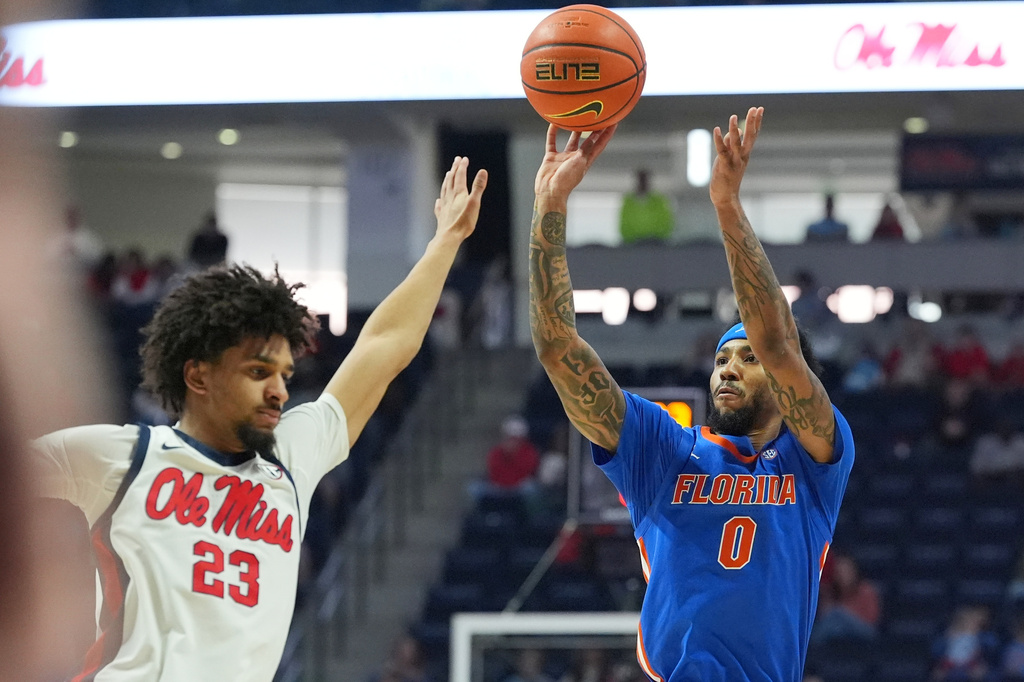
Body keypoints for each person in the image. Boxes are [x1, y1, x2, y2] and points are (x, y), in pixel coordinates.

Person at [27, 157, 488, 680]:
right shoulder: (124, 457)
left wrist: (445, 242)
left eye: (286, 373)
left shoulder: (292, 456)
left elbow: (382, 346)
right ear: (199, 377)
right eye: (258, 371)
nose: (279, 390)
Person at [528, 108, 855, 681]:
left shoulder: (815, 462)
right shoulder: (665, 450)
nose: (728, 370)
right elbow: (559, 349)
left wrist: (727, 206)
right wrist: (549, 210)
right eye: (721, 359)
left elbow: (778, 342)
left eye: (746, 359)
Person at [619, 168, 674, 244]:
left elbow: (666, 222)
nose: (643, 183)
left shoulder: (659, 201)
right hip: (632, 244)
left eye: (645, 180)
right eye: (640, 180)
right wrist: (630, 240)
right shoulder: (628, 202)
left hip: (656, 244)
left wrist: (658, 238)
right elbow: (624, 223)